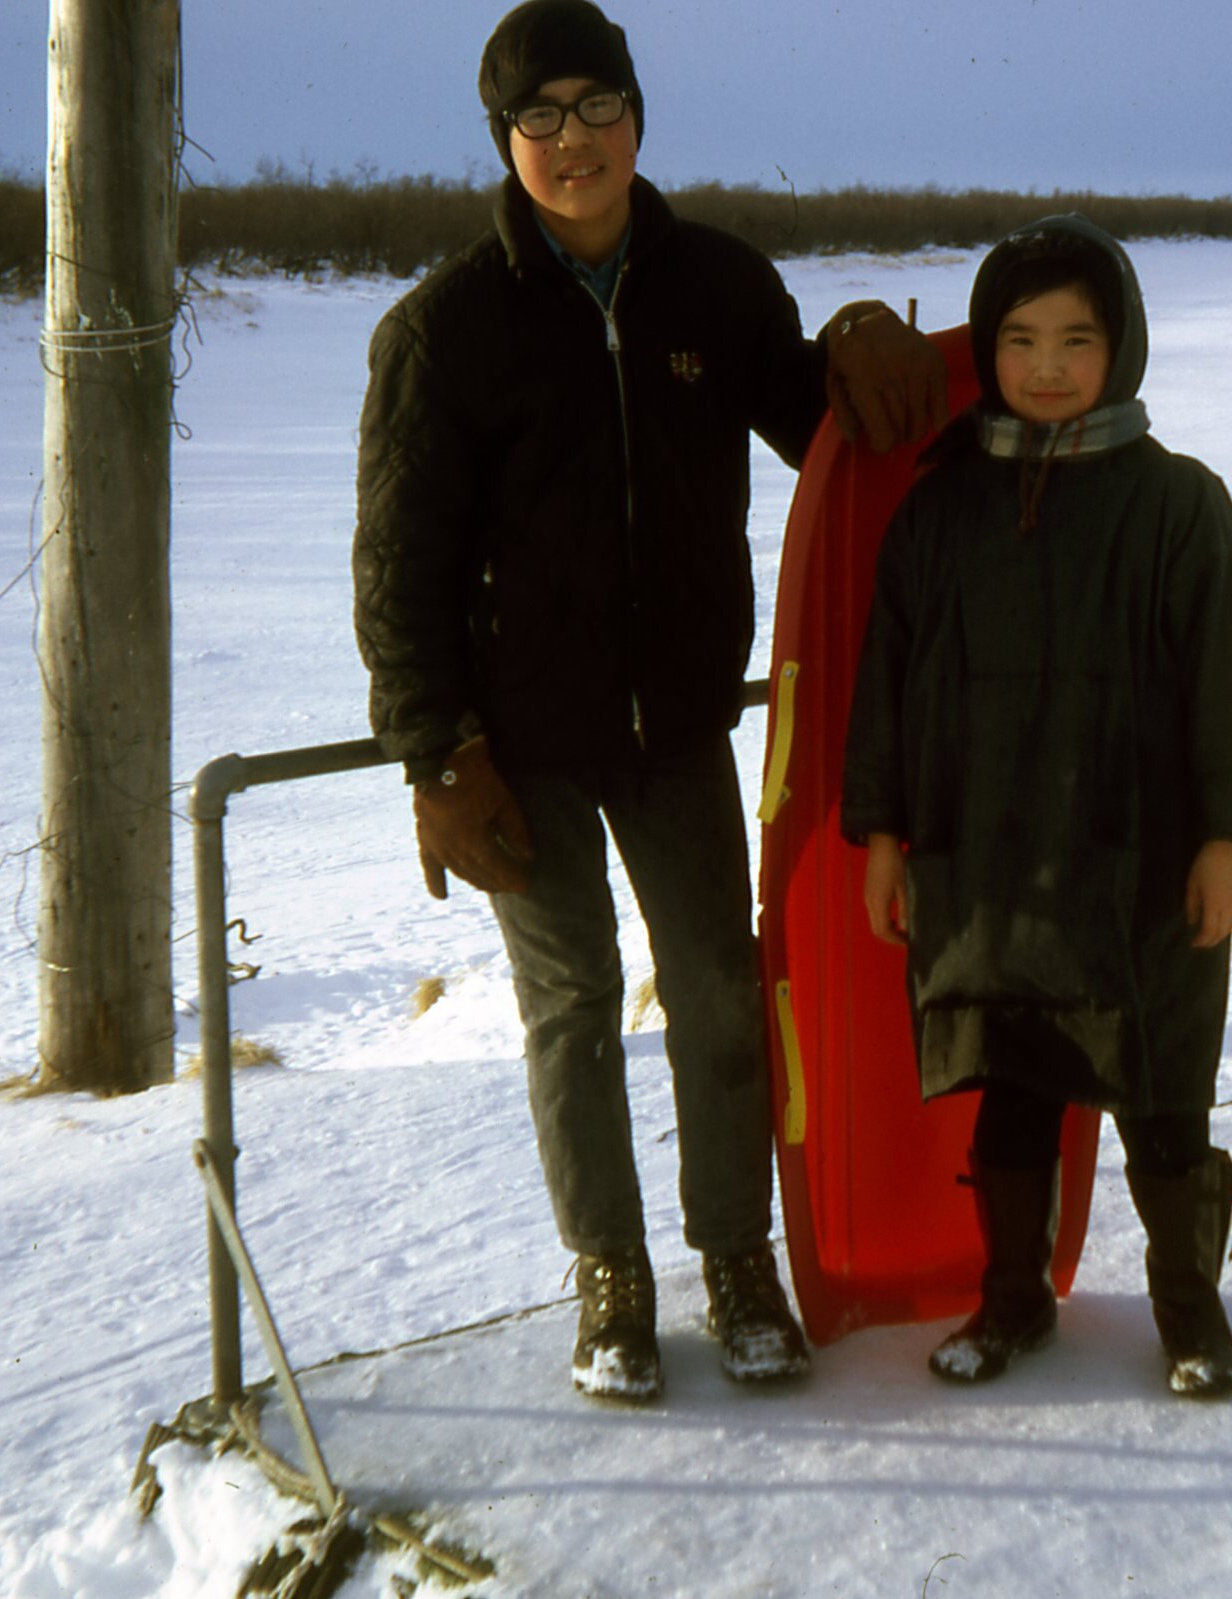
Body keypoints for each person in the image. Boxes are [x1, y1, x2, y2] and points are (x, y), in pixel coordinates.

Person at [352, 0, 944, 1404]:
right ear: (504, 140)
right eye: (539, 115)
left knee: (724, 998)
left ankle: (734, 1257)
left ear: (636, 116)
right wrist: (436, 753)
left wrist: (861, 341)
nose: (573, 139)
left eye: (595, 104)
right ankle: (610, 1274)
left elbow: (824, 431)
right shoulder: (444, 329)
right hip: (520, 746)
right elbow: (396, 563)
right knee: (571, 1006)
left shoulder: (716, 289)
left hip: (675, 727)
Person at [840, 216, 1232, 1398]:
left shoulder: (1177, 505)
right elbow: (884, 678)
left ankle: (1189, 1314)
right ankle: (1011, 1302)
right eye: (1021, 339)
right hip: (988, 860)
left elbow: (1228, 683)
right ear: (986, 349)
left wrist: (1223, 840)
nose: (1044, 366)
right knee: (1013, 1082)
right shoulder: (938, 511)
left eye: (1075, 340)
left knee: (1161, 1093)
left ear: (1119, 347)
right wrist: (884, 835)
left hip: (1140, 862)